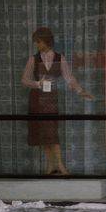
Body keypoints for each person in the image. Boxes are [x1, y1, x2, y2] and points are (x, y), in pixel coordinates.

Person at [21, 27, 93, 175]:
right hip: (37, 99)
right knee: (42, 134)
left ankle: (59, 165)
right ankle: (50, 166)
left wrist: (81, 91)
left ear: (46, 41)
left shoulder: (60, 58)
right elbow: (24, 80)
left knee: (52, 132)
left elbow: (69, 78)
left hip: (51, 99)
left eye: (39, 41)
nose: (37, 45)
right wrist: (37, 83)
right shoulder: (33, 59)